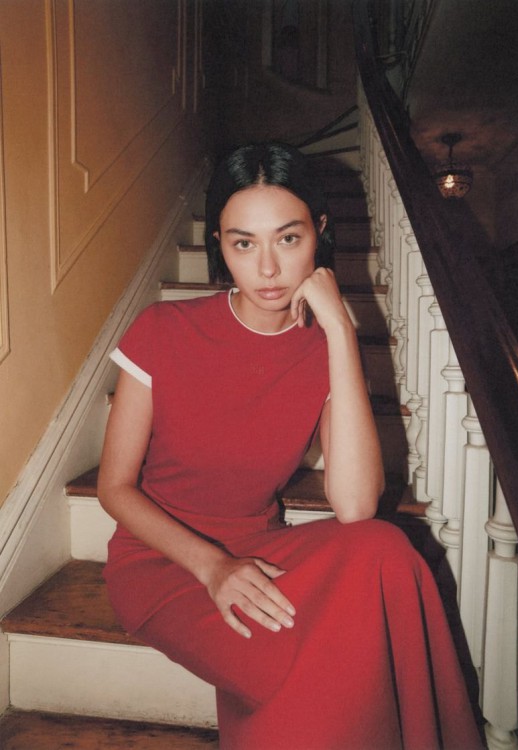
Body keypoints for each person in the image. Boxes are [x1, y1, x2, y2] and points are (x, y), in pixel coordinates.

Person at [98, 142, 485, 750]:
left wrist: (339, 331)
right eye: (243, 243)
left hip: (263, 544)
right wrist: (213, 567)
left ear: (319, 233)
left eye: (288, 238)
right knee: (321, 659)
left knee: (385, 549)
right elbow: (114, 488)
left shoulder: (322, 345)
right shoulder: (163, 330)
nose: (268, 269)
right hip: (165, 561)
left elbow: (355, 506)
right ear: (219, 244)